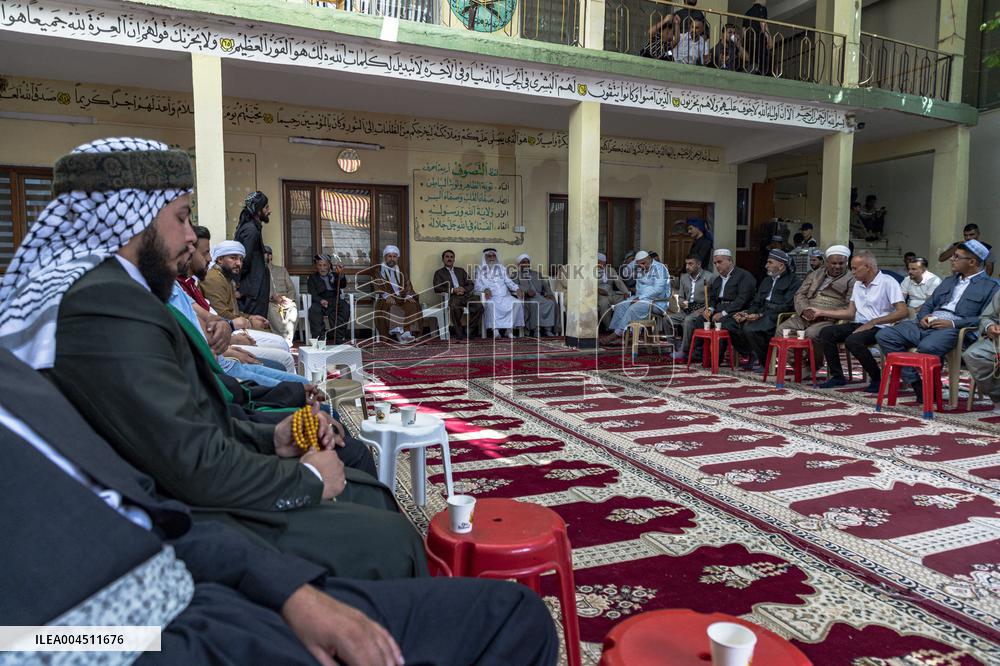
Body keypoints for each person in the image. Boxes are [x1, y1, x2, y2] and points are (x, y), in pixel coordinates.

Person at [0, 138, 425, 580]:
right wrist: (307, 482)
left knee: (366, 490)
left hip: (200, 480)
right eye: (181, 217)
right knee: (390, 536)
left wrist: (274, 437)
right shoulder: (104, 303)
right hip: (189, 518)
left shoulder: (112, 291)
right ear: (131, 218)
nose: (190, 236)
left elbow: (188, 422)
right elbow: (188, 460)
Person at [0, 347, 560, 666]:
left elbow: (153, 510)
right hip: (138, 641)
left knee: (514, 616)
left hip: (200, 583)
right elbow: (25, 641)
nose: (190, 236)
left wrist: (287, 591)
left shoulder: (16, 385)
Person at [877, 240, 999, 397]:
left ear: (972, 262)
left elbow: (984, 318)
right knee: (885, 335)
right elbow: (929, 304)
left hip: (954, 330)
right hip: (928, 324)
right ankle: (916, 383)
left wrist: (952, 323)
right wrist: (923, 316)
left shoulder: (991, 286)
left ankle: (932, 387)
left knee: (928, 347)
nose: (951, 259)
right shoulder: (949, 281)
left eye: (957, 257)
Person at [811, 251, 908, 392]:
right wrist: (821, 312)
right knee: (826, 332)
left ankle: (877, 378)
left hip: (881, 326)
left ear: (867, 267)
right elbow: (850, 313)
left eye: (855, 268)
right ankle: (837, 376)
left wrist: (873, 322)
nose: (852, 272)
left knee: (853, 341)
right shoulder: (858, 284)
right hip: (860, 324)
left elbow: (903, 311)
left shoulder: (888, 282)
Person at [201, 240, 297, 372]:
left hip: (231, 328)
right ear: (219, 259)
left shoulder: (225, 277)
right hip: (225, 332)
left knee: (282, 343)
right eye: (233, 258)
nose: (238, 263)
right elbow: (222, 314)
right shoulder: (213, 279)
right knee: (283, 353)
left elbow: (233, 311)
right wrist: (249, 323)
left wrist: (250, 317)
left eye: (240, 259)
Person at [777, 245, 854, 373]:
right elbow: (800, 294)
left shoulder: (852, 279)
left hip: (829, 318)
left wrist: (824, 313)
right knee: (782, 330)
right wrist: (805, 310)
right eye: (834, 263)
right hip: (807, 313)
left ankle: (815, 365)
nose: (837, 266)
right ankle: (800, 366)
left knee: (812, 334)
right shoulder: (815, 274)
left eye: (841, 263)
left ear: (846, 262)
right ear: (827, 262)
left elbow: (849, 306)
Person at [723, 249, 801, 369]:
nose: (766, 266)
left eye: (770, 262)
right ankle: (751, 353)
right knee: (729, 323)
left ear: (781, 265)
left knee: (750, 328)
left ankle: (765, 362)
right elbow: (756, 302)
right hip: (761, 313)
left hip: (777, 316)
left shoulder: (794, 281)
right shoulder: (766, 280)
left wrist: (760, 315)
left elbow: (787, 306)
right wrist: (747, 313)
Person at [362, 245, 423, 344]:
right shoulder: (378, 270)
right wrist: (387, 296)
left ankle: (407, 332)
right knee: (393, 306)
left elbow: (407, 284)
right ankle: (399, 334)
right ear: (385, 257)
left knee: (412, 304)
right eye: (389, 256)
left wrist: (408, 295)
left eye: (394, 256)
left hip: (401, 298)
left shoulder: (401, 270)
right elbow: (377, 285)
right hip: (386, 299)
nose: (392, 259)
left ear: (397, 258)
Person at [606, 251, 671, 342]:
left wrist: (640, 298)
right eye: (639, 264)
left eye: (644, 263)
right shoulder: (638, 266)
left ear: (649, 259)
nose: (642, 266)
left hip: (657, 302)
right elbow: (625, 273)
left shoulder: (660, 268)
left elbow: (658, 289)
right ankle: (621, 334)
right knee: (621, 306)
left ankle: (616, 334)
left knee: (633, 308)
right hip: (640, 298)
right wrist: (633, 262)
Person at [669, 254, 715, 361]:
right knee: (668, 319)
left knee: (688, 321)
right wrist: (681, 303)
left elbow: (713, 298)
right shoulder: (684, 277)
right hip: (687, 308)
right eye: (686, 264)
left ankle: (684, 351)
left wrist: (706, 308)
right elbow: (681, 296)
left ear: (698, 264)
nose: (687, 267)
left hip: (701, 309)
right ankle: (673, 346)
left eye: (690, 264)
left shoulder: (710, 277)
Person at [962, 289, 1000, 415]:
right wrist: (990, 326)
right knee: (973, 355)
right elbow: (986, 317)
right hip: (998, 341)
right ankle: (998, 398)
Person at [234, 190, 271, 317]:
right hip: (252, 293)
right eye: (266, 207)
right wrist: (240, 287)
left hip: (252, 290)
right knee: (254, 325)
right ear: (258, 210)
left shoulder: (252, 228)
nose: (269, 211)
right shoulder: (251, 231)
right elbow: (243, 262)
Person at [433, 249, 482, 341]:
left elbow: (471, 284)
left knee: (479, 306)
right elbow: (437, 288)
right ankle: (459, 332)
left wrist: (463, 289)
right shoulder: (439, 273)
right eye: (447, 257)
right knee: (454, 307)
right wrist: (453, 290)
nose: (449, 259)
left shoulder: (461, 271)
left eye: (451, 257)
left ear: (454, 259)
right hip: (453, 296)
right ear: (443, 259)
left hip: (466, 295)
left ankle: (470, 330)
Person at [475, 248, 524, 338]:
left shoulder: (502, 268)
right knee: (491, 304)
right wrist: (485, 289)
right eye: (489, 256)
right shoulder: (480, 269)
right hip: (491, 297)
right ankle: (495, 331)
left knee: (517, 303)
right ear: (485, 257)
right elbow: (477, 285)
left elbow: (509, 282)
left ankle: (509, 330)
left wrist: (516, 288)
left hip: (505, 296)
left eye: (493, 256)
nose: (492, 258)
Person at [308, 253, 350, 344]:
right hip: (320, 301)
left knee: (345, 307)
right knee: (314, 310)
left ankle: (339, 337)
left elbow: (343, 285)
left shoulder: (334, 275)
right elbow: (312, 293)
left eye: (324, 265)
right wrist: (320, 300)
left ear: (329, 266)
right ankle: (320, 339)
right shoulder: (313, 277)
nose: (322, 268)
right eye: (320, 265)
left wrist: (340, 274)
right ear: (316, 266)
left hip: (334, 300)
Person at [516, 253, 558, 337]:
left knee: (550, 303)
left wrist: (549, 294)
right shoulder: (515, 275)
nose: (526, 264)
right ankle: (536, 330)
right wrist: (526, 291)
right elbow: (514, 286)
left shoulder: (536, 274)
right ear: (519, 264)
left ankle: (548, 329)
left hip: (539, 296)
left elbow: (545, 286)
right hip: (527, 297)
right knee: (535, 304)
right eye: (523, 262)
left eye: (527, 262)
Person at [265, 245, 299, 345]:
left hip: (286, 300)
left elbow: (291, 288)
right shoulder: (260, 272)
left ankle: (286, 341)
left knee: (293, 311)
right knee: (272, 312)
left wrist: (289, 300)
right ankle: (284, 340)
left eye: (265, 253)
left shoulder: (282, 270)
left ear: (270, 256)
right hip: (271, 302)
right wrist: (273, 297)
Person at [598, 252, 630, 332]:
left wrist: (626, 292)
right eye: (600, 262)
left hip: (611, 294)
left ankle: (623, 326)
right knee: (604, 303)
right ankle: (609, 327)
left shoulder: (610, 270)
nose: (602, 264)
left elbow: (618, 282)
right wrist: (597, 290)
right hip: (600, 295)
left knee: (626, 301)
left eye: (603, 262)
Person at [742, 0, 771, 75]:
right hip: (758, 40)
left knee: (753, 61)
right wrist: (769, 38)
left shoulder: (747, 13)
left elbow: (744, 30)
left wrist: (744, 44)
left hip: (748, 41)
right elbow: (763, 23)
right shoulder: (762, 8)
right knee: (763, 63)